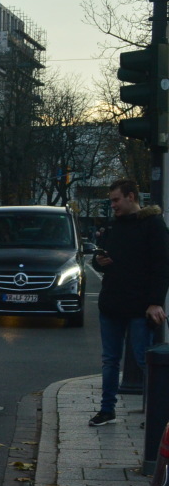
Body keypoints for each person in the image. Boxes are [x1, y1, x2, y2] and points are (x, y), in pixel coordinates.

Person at [88, 179, 169, 426]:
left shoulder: (153, 225)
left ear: (131, 197)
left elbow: (162, 266)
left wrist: (155, 302)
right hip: (112, 303)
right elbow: (103, 255)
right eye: (111, 201)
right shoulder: (115, 226)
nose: (112, 205)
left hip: (139, 306)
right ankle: (107, 409)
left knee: (145, 360)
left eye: (116, 200)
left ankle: (158, 412)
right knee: (110, 359)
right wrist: (97, 261)